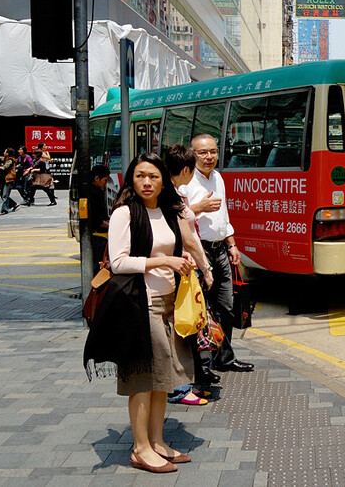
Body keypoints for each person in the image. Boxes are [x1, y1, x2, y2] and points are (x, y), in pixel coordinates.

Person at [85, 153, 212, 473]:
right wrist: (163, 262)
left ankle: (157, 441)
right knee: (143, 378)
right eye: (140, 175)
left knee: (162, 378)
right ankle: (140, 448)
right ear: (131, 179)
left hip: (170, 303)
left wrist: (186, 261)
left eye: (153, 176)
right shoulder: (125, 213)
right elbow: (119, 262)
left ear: (163, 181)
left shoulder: (167, 212)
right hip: (140, 305)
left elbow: (178, 244)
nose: (146, 182)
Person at [180, 133, 254, 373]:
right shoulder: (186, 181)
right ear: (193, 154)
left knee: (226, 307)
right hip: (197, 250)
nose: (209, 156)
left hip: (220, 249)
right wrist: (198, 207)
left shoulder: (218, 177)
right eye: (203, 152)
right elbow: (176, 217)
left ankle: (225, 358)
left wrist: (232, 244)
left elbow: (224, 216)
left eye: (213, 151)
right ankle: (201, 367)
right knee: (200, 310)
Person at [165, 144, 216, 402]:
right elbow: (190, 239)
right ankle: (181, 388)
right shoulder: (171, 196)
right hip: (180, 270)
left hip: (182, 269)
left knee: (188, 326)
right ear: (185, 170)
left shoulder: (173, 192)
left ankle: (192, 383)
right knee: (184, 328)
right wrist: (205, 268)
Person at [88, 165, 112, 274]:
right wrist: (111, 225)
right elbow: (97, 220)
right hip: (99, 237)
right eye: (105, 180)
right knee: (99, 266)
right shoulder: (94, 193)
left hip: (98, 236)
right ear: (97, 178)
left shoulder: (94, 191)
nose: (106, 183)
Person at [0, 148, 19, 216]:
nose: (4, 152)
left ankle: (4, 210)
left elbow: (4, 168)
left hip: (9, 180)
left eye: (5, 151)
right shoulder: (5, 159)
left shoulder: (10, 161)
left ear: (8, 153)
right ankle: (14, 204)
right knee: (2, 195)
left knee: (5, 196)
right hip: (4, 179)